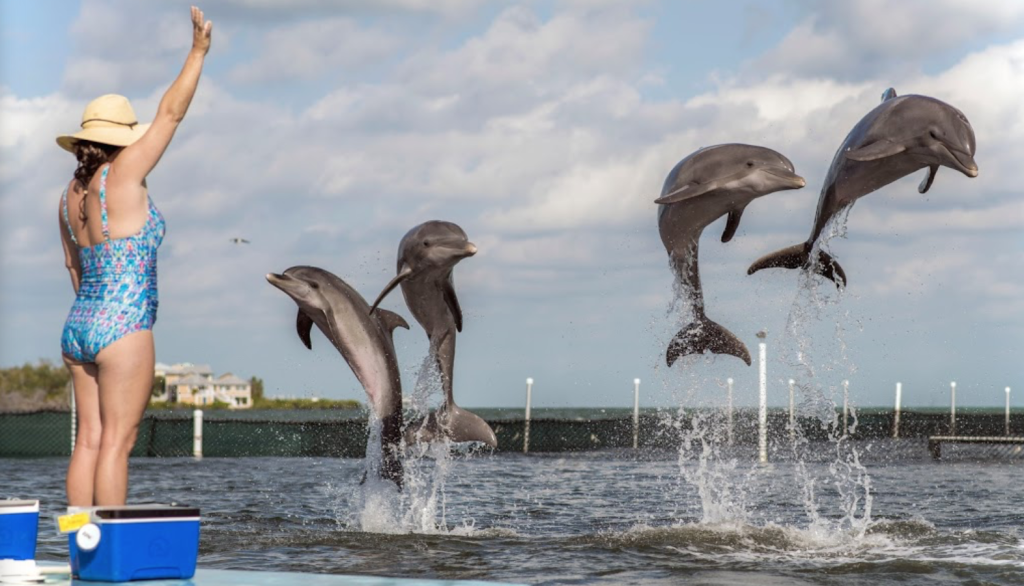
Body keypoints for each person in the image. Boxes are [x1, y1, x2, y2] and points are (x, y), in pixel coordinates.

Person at [57, 6, 212, 507]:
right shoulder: (123, 175)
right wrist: (197, 52)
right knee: (117, 447)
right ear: (120, 139)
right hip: (123, 325)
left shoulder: (67, 197)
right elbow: (170, 113)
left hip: (80, 322)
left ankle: (80, 547)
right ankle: (109, 547)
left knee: (87, 442)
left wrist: (96, 309)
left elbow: (73, 267)